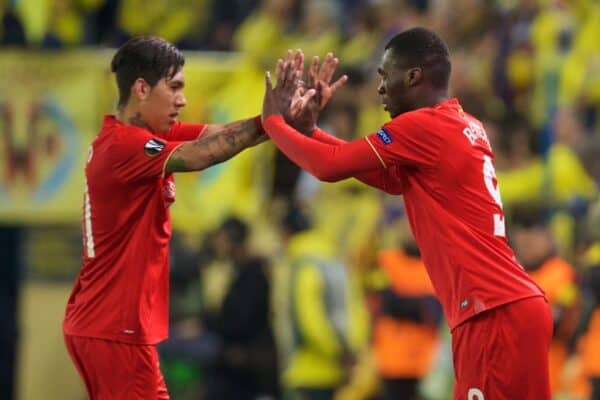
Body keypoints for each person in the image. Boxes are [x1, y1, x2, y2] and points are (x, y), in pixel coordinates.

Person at [261, 27, 552, 399]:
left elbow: (328, 168)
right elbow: (381, 176)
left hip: (489, 311)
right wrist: (311, 131)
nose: (379, 90)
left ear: (413, 76)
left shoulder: (422, 126)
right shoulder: (465, 125)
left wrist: (274, 124)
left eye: (385, 76)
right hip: (516, 305)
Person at [62, 36, 269, 400]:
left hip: (110, 325)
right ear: (141, 88)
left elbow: (218, 134)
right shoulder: (126, 145)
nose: (182, 100)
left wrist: (273, 121)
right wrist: (275, 120)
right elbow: (202, 155)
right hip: (114, 326)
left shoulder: (145, 137)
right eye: (174, 87)